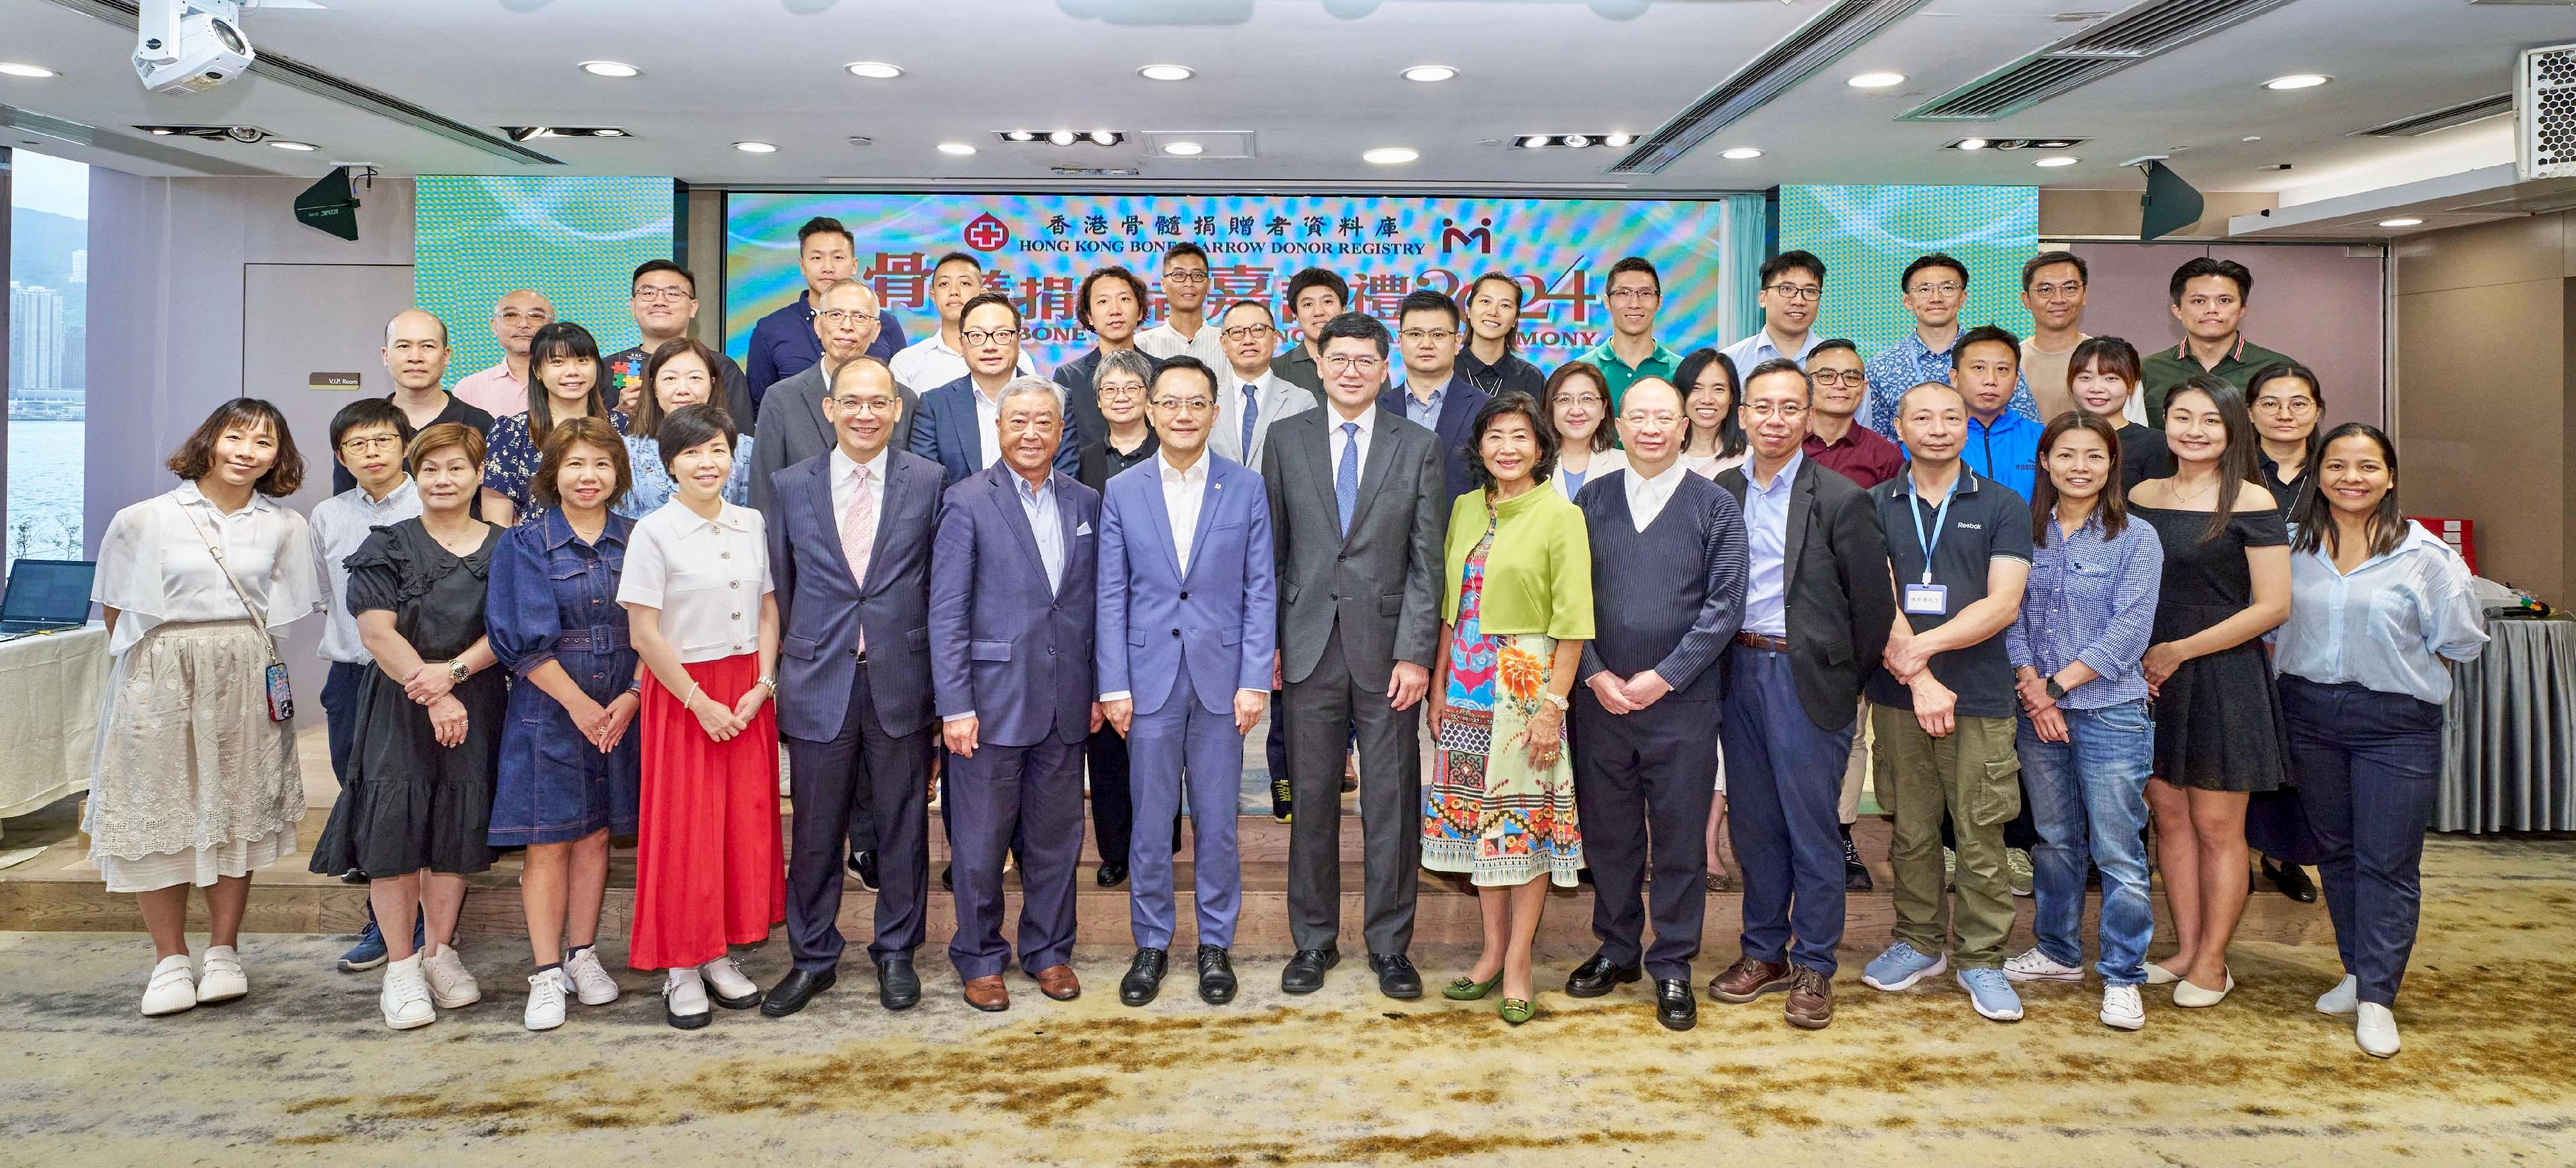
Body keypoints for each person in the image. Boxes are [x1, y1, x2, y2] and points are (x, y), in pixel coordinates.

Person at [90, 398, 325, 1017]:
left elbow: (288, 608)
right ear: (211, 440)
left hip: (245, 671)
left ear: (280, 455)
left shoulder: (284, 525)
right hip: (161, 669)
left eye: (265, 442)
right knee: (158, 809)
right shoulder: (145, 518)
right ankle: (169, 959)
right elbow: (117, 609)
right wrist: (164, 663)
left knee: (236, 806)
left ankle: (224, 951)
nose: (248, 451)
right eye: (237, 436)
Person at [2278, 424, 2486, 1058]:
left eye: (2367, 466)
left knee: (2386, 861)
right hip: (2307, 712)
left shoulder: (2426, 556)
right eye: (2337, 465)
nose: (2351, 477)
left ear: (2390, 476)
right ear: (2318, 474)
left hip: (2394, 723)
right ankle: (2356, 969)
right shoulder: (2291, 545)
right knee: (2335, 852)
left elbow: (2460, 641)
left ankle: (2377, 997)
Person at [1265, 311, 1448, 1001]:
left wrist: (1416, 655)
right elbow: (1272, 552)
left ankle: (1389, 946)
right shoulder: (1285, 440)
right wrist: (1271, 648)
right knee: (1311, 801)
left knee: (1390, 805)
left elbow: (1425, 562)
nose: (1349, 370)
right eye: (1337, 358)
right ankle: (1312, 941)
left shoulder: (1419, 444)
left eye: (1363, 360)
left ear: (1383, 367)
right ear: (1318, 364)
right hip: (1307, 649)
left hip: (1388, 655)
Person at [1709, 361, 1891, 1030]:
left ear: (1808, 417)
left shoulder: (1841, 498)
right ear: (1744, 415)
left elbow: (1871, 609)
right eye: (1762, 407)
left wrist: (1840, 678)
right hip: (1736, 673)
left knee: (1813, 830)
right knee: (1754, 826)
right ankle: (1764, 952)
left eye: (1790, 407)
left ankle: (1815, 961)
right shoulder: (1722, 490)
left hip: (1807, 680)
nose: (1775, 419)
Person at [762, 357, 945, 1017]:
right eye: (852, 401)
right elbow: (777, 586)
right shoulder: (790, 485)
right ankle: (813, 957)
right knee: (815, 831)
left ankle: (896, 952)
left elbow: (939, 585)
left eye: (879, 402)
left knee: (902, 827)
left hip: (902, 675)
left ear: (898, 410)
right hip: (818, 677)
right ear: (829, 409)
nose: (865, 413)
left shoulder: (930, 481)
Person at [308, 422, 504, 1030]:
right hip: (400, 702)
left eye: (456, 468)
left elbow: (510, 629)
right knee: (395, 837)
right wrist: (434, 691)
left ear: (478, 475)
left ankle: (439, 952)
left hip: (477, 699)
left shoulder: (506, 546)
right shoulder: (386, 543)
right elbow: (375, 631)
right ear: (415, 477)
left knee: (454, 829)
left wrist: (453, 676)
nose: (443, 480)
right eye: (431, 470)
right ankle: (399, 967)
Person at [1567, 375, 1745, 1031]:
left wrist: (1663, 676)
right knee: (1610, 837)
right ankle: (1616, 949)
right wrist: (1592, 674)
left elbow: (1724, 606)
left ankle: (1672, 962)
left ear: (1683, 426)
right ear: (1618, 423)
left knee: (1676, 839)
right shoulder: (1591, 499)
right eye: (1637, 415)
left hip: (1682, 704)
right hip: (1601, 701)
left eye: (1662, 417)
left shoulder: (1714, 504)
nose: (1649, 428)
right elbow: (1565, 598)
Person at [1099, 356, 1277, 1007]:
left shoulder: (1245, 486)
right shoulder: (1122, 490)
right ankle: (1150, 943)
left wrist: (1255, 678)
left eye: (1195, 403)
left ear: (1213, 412)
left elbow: (1262, 589)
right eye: (1169, 403)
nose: (1182, 415)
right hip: (1145, 683)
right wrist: (1113, 683)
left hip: (1221, 682)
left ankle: (1214, 946)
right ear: (1148, 410)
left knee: (1217, 822)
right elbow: (1110, 592)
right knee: (1149, 821)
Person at [1858, 381, 2035, 1023]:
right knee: (1909, 828)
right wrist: (1919, 676)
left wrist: (1919, 652)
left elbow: (2002, 604)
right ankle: (1917, 940)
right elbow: (1877, 600)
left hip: (1981, 695)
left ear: (1967, 426)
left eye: (1951, 417)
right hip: (1899, 695)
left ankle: (1983, 957)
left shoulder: (2002, 504)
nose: (1937, 428)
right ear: (1897, 428)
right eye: (1922, 417)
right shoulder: (1872, 503)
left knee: (1980, 831)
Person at [930, 377, 1103, 1012]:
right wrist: (955, 705)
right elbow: (946, 612)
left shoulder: (1085, 502)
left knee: (1056, 841)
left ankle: (1050, 952)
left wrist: (1094, 685)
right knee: (978, 845)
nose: (1031, 433)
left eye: (1044, 423)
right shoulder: (967, 500)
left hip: (1064, 701)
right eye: (1018, 421)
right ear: (998, 429)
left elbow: (1089, 604)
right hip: (989, 703)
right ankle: (980, 958)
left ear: (1061, 432)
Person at [1423, 392, 1593, 1025]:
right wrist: (1439, 685)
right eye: (1495, 436)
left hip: (1524, 679)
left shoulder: (1559, 514)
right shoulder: (1467, 508)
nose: (1507, 448)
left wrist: (1552, 707)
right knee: (1477, 828)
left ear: (1541, 447)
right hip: (1465, 680)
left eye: (1520, 436)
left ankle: (1519, 961)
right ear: (1480, 446)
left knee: (1519, 827)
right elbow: (1450, 606)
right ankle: (1489, 953)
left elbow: (1574, 622)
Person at [617, 404, 785, 1029]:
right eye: (691, 453)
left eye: (717, 449)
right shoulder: (653, 532)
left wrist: (764, 683)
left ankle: (721, 955)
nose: (706, 462)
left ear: (733, 454)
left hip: (747, 692)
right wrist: (699, 702)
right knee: (686, 832)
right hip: (684, 694)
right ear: (668, 464)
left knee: (741, 827)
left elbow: (769, 608)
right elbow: (643, 632)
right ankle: (680, 968)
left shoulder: (751, 522)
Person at [2128, 373, 2291, 1008]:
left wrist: (2181, 650)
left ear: (2232, 431)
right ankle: (2186, 947)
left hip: (2221, 673)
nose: (2194, 431)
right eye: (2182, 417)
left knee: (2218, 827)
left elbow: (2273, 605)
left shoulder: (2250, 500)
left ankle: (2214, 962)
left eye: (2209, 421)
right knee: (2169, 821)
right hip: (2147, 676)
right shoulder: (2142, 493)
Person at [2000, 412, 2165, 1031]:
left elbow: (2130, 631)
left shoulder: (2137, 537)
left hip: (2109, 710)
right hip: (2037, 709)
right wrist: (2031, 687)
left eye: (2093, 456)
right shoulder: (2025, 529)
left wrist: (2055, 687)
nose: (2079, 467)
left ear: (2110, 464)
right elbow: (2008, 611)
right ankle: (2059, 950)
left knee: (2118, 849)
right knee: (2053, 839)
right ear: (2045, 461)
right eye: (2066, 454)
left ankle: (2124, 975)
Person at [484, 417, 642, 1031]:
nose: (589, 476)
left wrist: (631, 695)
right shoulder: (523, 543)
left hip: (625, 702)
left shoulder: (638, 538)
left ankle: (583, 955)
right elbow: (518, 641)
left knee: (598, 834)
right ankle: (546, 970)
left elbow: (658, 629)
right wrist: (579, 703)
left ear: (618, 474)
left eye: (602, 464)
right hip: (550, 704)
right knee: (549, 838)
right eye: (576, 463)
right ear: (554, 471)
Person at [307, 398, 421, 971]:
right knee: (366, 806)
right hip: (352, 678)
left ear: (406, 443)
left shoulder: (435, 501)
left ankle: (420, 923)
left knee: (421, 801)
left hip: (423, 678)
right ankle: (386, 922)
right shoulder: (327, 515)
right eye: (357, 444)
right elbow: (325, 597)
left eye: (382, 440)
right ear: (341, 455)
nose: (371, 452)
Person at [1075, 348, 1168, 889]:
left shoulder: (1175, 449)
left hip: (1163, 614)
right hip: (1103, 608)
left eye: (1133, 388)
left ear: (1151, 399)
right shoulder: (1084, 458)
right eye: (1111, 390)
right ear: (1099, 401)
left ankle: (1158, 842)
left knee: (1158, 738)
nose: (1122, 398)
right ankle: (1115, 848)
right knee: (1108, 739)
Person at [2242, 361, 2330, 904]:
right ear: (2250, 411)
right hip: (2241, 624)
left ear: (2318, 411)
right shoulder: (2234, 471)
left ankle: (2287, 853)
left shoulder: (2335, 469)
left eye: (2299, 403)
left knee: (2300, 744)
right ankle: (2238, 846)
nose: (2284, 414)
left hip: (2313, 626)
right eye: (2271, 403)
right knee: (2247, 739)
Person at [750, 280, 921, 516]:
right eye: (836, 315)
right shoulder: (781, 399)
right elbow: (764, 495)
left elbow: (915, 487)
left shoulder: (904, 399)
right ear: (819, 325)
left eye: (860, 317)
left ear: (876, 331)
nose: (847, 326)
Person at [1864, 254, 2040, 440]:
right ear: (1907, 301)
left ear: (1963, 298)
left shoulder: (1995, 356)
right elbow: (1876, 443)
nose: (1936, 298)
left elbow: (2027, 429)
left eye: (1947, 288)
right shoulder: (1882, 366)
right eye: (1924, 289)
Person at [745, 215, 905, 411]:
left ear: (854, 265)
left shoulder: (885, 324)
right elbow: (759, 408)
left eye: (838, 258)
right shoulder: (771, 329)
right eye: (817, 258)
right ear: (802, 265)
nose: (828, 268)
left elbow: (898, 397)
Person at [922, 292, 1080, 486]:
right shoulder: (934, 405)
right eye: (977, 335)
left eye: (1002, 335)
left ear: (1019, 341)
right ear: (962, 343)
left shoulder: (1056, 398)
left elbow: (1065, 482)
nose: (990, 346)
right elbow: (927, 487)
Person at [481, 321, 626, 528]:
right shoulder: (511, 432)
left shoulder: (624, 428)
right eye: (558, 362)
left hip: (613, 549)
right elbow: (497, 505)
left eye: (583, 360)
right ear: (538, 370)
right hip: (534, 553)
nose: (573, 371)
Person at [334, 311, 495, 497]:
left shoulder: (480, 423)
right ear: (385, 355)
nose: (415, 357)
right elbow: (345, 501)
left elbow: (491, 505)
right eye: (403, 346)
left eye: (427, 346)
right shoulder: (358, 426)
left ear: (446, 355)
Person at [604, 260, 753, 428]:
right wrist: (619, 413)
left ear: (693, 307)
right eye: (648, 293)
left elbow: (742, 439)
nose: (659, 301)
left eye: (673, 294)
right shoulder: (606, 368)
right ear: (633, 305)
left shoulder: (721, 367)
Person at [2140, 257, 2293, 419]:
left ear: (2242, 309)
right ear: (2177, 310)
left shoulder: (2278, 369)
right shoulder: (2147, 371)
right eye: (2199, 301)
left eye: (2224, 300)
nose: (2212, 309)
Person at [1380, 288, 1493, 506]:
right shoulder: (1376, 410)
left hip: (1460, 536)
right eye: (1415, 334)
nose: (1426, 344)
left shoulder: (1486, 409)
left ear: (1458, 342)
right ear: (1400, 339)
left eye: (1438, 334)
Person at [618, 340, 757, 517]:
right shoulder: (626, 451)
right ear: (653, 387)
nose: (683, 389)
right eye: (670, 378)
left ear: (712, 384)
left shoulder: (745, 449)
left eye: (695, 378)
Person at [888, 251, 1036, 392]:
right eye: (944, 284)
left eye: (965, 283)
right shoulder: (906, 362)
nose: (954, 291)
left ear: (982, 294)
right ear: (933, 296)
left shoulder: (1015, 359)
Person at [1052, 265, 1156, 446]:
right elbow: (1063, 448)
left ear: (1140, 311)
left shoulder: (1161, 372)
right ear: (1089, 316)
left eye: (1124, 299)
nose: (1115, 310)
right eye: (1103, 302)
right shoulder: (1069, 378)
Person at [1210, 298, 1314, 472]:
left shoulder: (1302, 402)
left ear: (1274, 339)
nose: (1248, 340)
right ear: (1224, 344)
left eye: (1258, 330)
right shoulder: (1208, 400)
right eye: (1237, 332)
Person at [1944, 324, 2045, 501]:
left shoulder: (2042, 439)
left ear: (2016, 381)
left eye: (2002, 369)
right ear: (1954, 377)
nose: (1990, 380)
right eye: (1978, 368)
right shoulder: (1932, 438)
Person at [1580, 256, 1683, 413]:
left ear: (1659, 302)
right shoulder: (1582, 370)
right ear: (1607, 302)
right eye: (1624, 293)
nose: (1635, 304)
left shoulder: (1682, 371)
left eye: (1645, 293)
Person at [2069, 336, 2171, 490]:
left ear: (2133, 386)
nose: (2097, 388)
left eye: (2111, 378)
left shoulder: (2156, 444)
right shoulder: (2059, 439)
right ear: (2070, 383)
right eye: (2085, 377)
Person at [1801, 338, 1902, 490]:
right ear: (1806, 384)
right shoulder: (1783, 443)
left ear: (1864, 388)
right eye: (1826, 376)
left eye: (1851, 377)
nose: (1840, 385)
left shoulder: (1886, 456)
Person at [2019, 251, 2095, 423]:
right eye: (2045, 290)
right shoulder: (2010, 362)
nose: (2059, 299)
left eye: (2070, 288)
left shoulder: (2107, 359)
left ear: (2084, 294)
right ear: (2026, 300)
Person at [451, 290, 553, 418]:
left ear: (552, 326)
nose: (523, 324)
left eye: (536, 316)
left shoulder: (572, 383)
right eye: (511, 315)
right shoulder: (469, 389)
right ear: (494, 326)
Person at [1721, 251, 1827, 372]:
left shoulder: (1836, 362)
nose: (1799, 301)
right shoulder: (1731, 363)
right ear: (1763, 299)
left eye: (1810, 291)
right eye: (1787, 289)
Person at [1137, 242, 1227, 370]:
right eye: (1178, 275)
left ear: (1208, 284)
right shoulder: (1140, 345)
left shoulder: (1228, 343)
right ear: (1163, 284)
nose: (1189, 283)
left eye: (1197, 275)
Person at [1456, 272, 1546, 398]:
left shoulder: (1531, 378)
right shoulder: (1446, 371)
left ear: (1516, 319)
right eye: (1486, 301)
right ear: (1469, 310)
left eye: (1505, 305)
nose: (1493, 312)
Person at [1545, 362, 1625, 496]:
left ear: (1603, 409)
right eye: (1564, 399)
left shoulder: (1626, 465)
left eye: (1587, 399)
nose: (1576, 411)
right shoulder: (1532, 466)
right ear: (1550, 408)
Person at [1273, 267, 1348, 403]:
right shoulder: (1276, 370)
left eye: (1327, 302)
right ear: (1296, 315)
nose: (1318, 311)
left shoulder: (1367, 365)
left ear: (1343, 309)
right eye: (1308, 304)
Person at [1674, 351, 1747, 479]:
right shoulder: (1662, 456)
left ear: (1731, 397)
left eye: (1718, 389)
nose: (1707, 400)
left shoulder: (1750, 461)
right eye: (1696, 388)